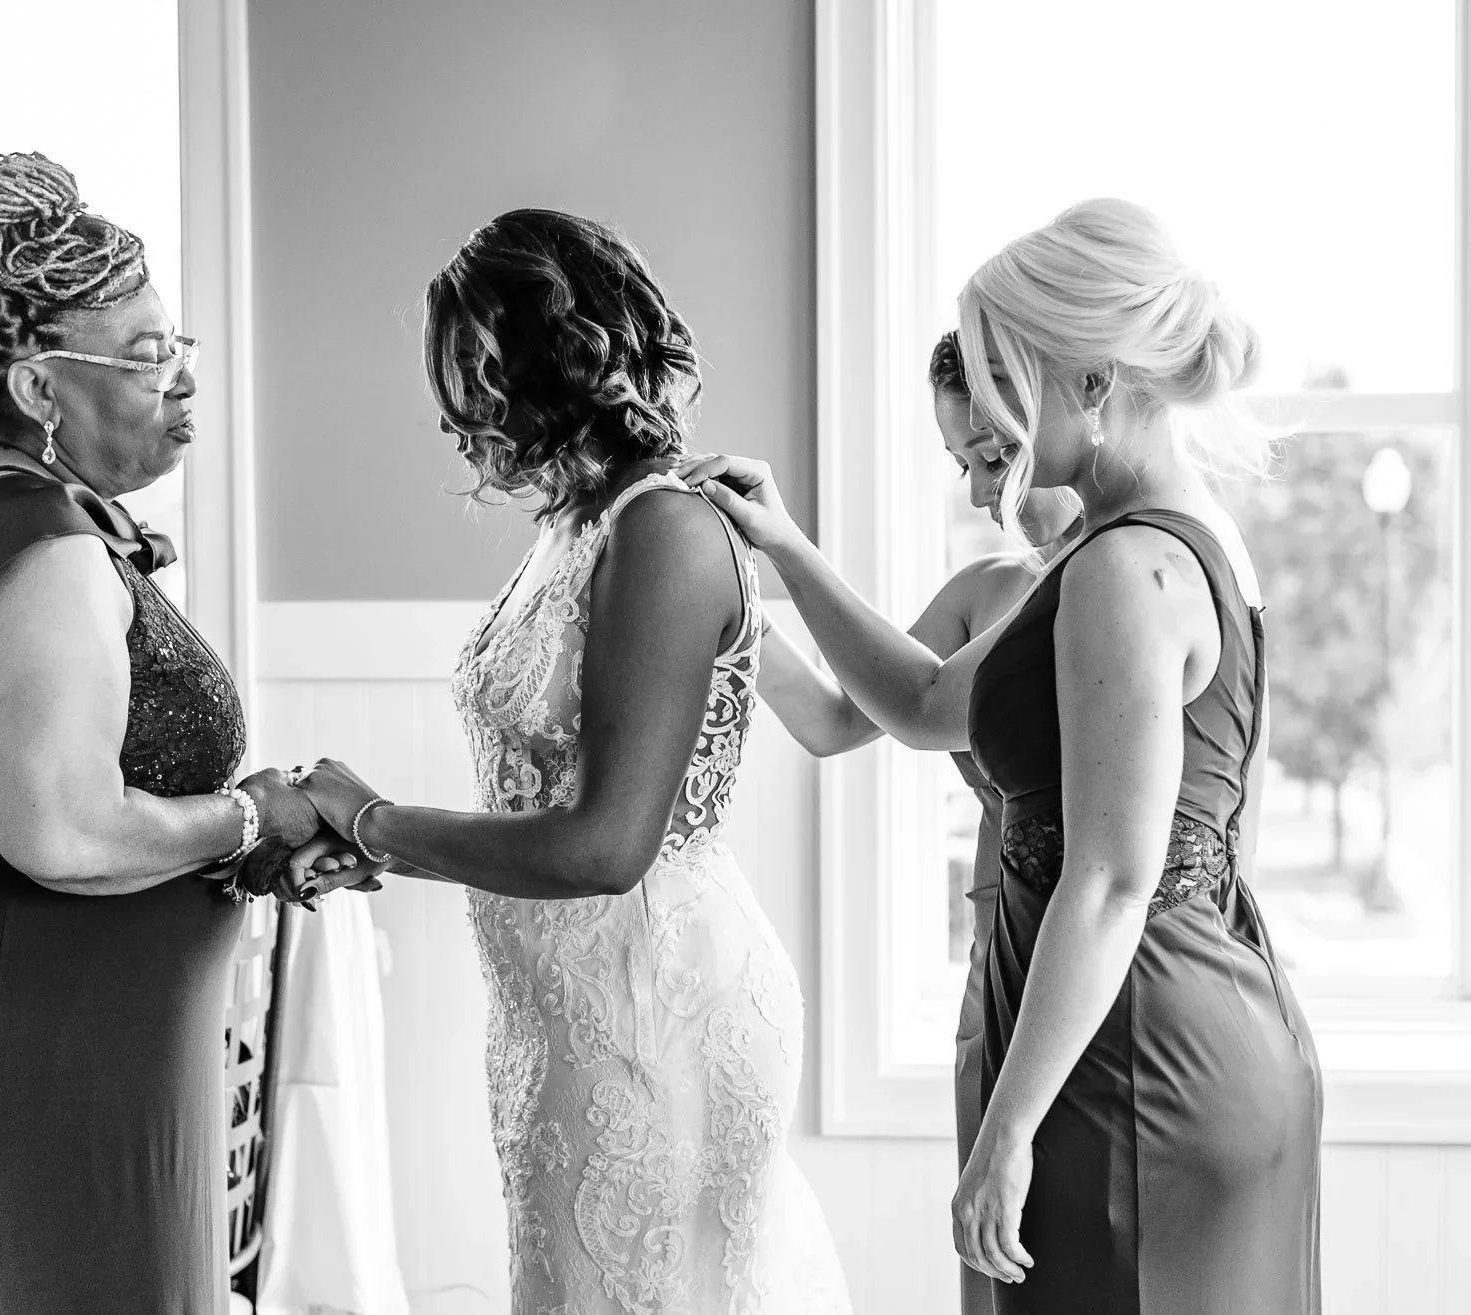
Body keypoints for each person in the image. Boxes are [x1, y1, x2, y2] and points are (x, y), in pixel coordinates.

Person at [683, 198, 1322, 1312]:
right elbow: (926, 702)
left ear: (1089, 381)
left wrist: (1006, 1132)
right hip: (1174, 1020)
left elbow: (1115, 875)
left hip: (1131, 1055)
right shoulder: (1162, 542)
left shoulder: (1125, 571)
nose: (992, 437)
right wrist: (777, 550)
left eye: (1004, 377)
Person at [0, 153, 346, 1315]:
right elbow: (59, 831)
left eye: (176, 347)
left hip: (72, 1033)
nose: (185, 383)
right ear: (41, 387)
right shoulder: (43, 550)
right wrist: (259, 809)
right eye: (149, 359)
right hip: (54, 1054)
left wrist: (238, 845)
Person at [287, 209, 851, 1314]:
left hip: (653, 1005)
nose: (452, 417)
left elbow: (604, 844)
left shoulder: (665, 533)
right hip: (556, 1008)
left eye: (471, 374)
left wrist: (376, 823)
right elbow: (792, 714)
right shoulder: (577, 527)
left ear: (549, 361)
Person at [752, 331, 1081, 1315]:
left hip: (1089, 956)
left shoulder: (1102, 583)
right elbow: (830, 719)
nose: (982, 495)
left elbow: (931, 706)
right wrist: (728, 595)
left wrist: (786, 543)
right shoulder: (984, 588)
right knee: (996, 1264)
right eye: (961, 468)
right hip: (999, 962)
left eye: (990, 460)